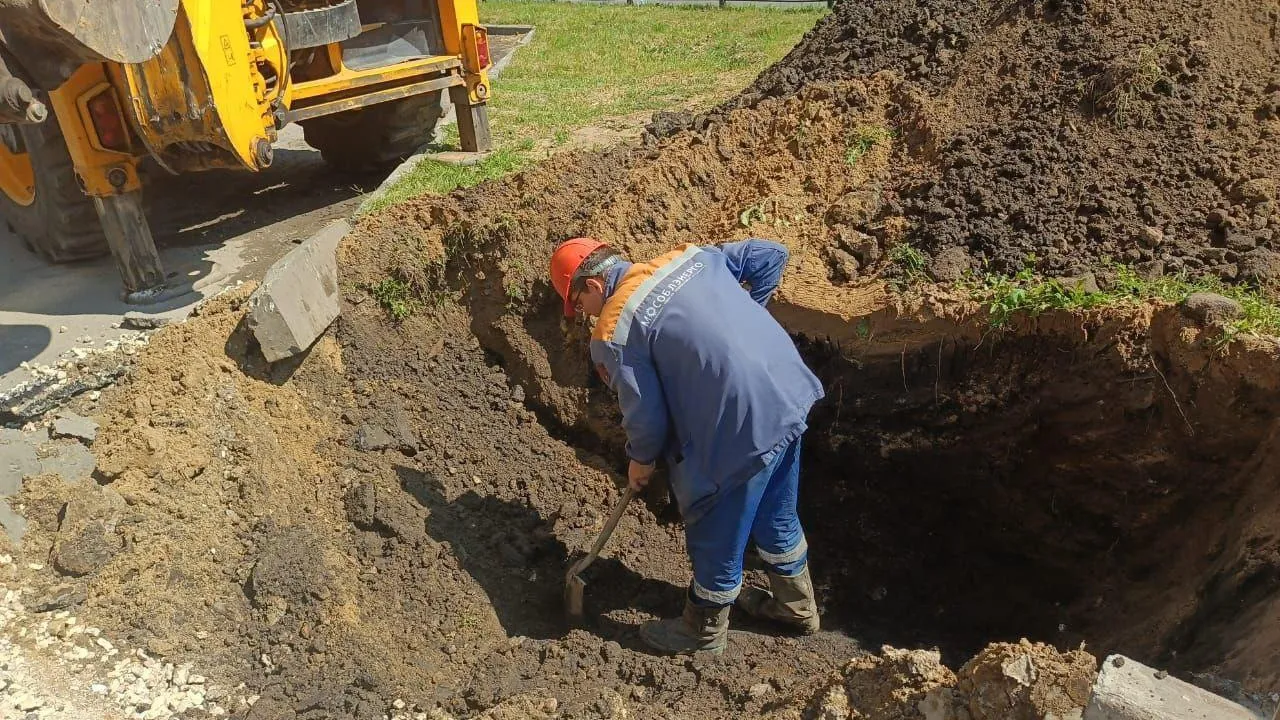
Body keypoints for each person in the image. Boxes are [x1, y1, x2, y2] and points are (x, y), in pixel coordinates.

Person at [548, 236, 825, 655]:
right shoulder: (690, 258)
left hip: (738, 423)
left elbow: (647, 415)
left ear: (593, 286)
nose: (583, 315)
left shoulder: (615, 328)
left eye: (578, 304)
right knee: (775, 510)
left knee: (713, 516)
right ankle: (797, 605)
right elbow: (771, 255)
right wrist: (750, 319)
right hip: (785, 389)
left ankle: (703, 631)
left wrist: (640, 460)